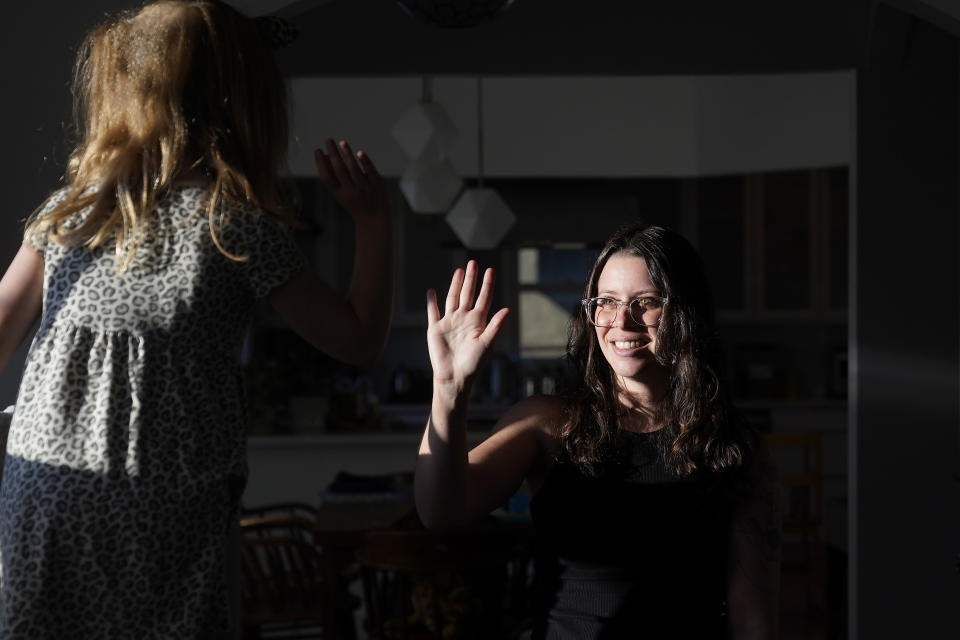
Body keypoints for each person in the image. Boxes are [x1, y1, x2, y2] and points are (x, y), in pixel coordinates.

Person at [0, 1, 393, 637]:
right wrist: (374, 226)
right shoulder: (233, 225)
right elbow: (358, 341)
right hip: (168, 506)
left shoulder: (70, 214)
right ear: (243, 107)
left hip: (49, 493)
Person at [416, 224, 779, 639]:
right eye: (606, 302)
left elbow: (754, 613)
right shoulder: (548, 424)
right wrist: (447, 388)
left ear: (686, 312)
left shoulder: (733, 445)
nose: (622, 321)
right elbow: (440, 510)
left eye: (645, 302)